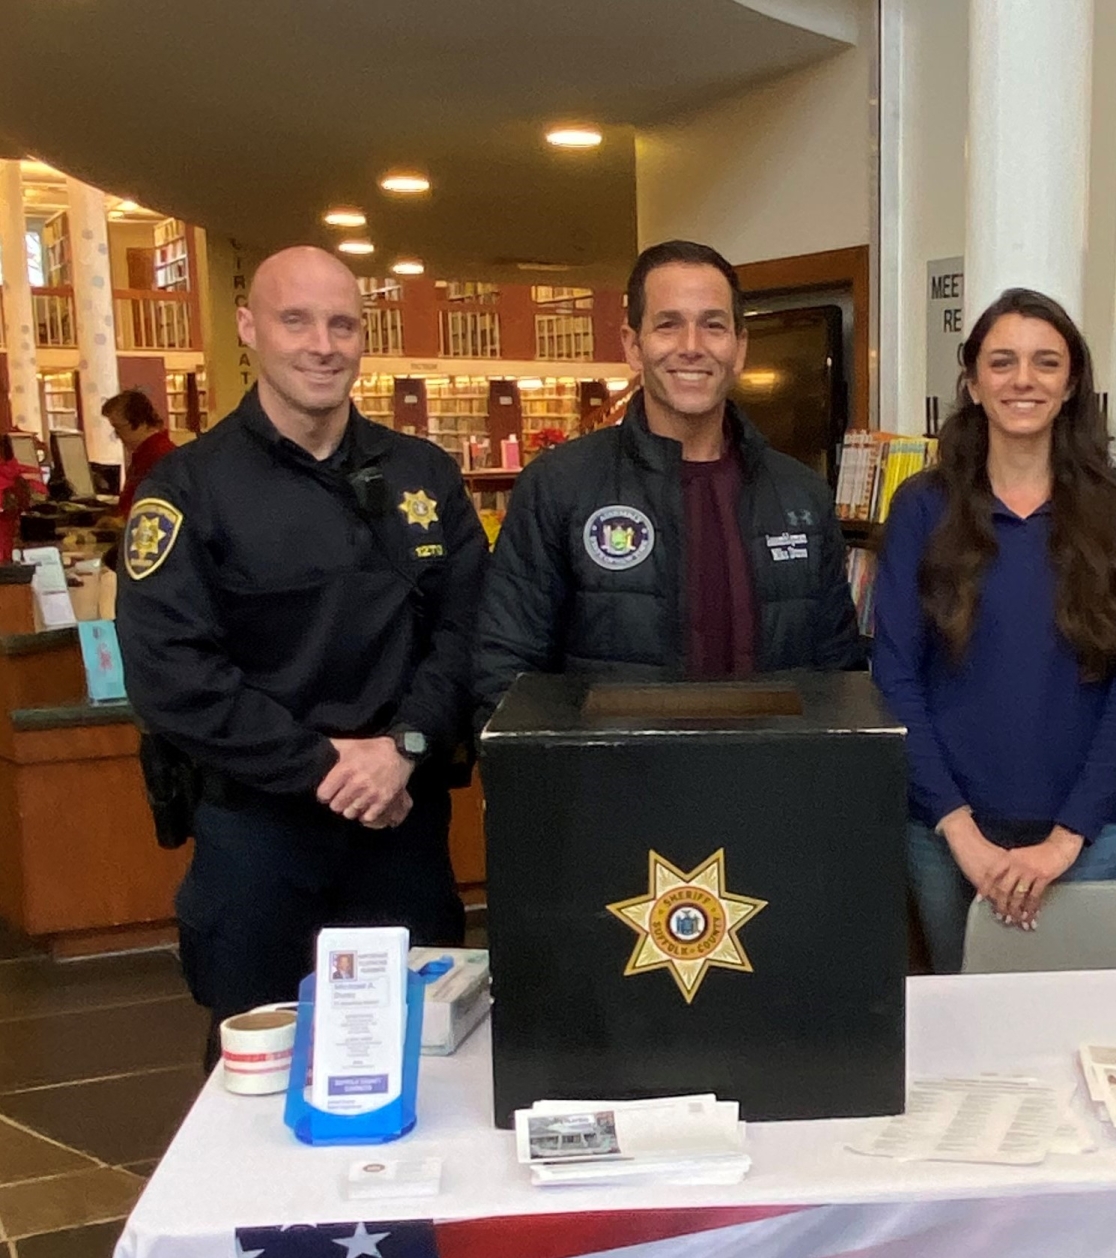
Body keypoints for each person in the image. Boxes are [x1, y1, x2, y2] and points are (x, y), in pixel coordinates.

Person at [116, 245, 484, 1045]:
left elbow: (467, 633)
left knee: (424, 1056)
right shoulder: (188, 488)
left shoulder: (422, 474)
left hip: (401, 826)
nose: (323, 345)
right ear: (249, 328)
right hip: (260, 837)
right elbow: (171, 674)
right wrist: (326, 767)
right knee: (259, 1065)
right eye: (296, 321)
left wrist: (404, 746)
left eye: (342, 325)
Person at [869, 287, 1116, 974]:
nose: (1023, 379)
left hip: (1088, 839)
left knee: (1077, 1023)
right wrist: (961, 833)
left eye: (1045, 362)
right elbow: (896, 677)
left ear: (1072, 384)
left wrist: (1067, 839)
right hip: (946, 838)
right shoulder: (922, 505)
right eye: (1002, 362)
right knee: (964, 1023)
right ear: (973, 383)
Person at [475, 239, 859, 709]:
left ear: (739, 347)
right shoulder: (558, 486)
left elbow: (839, 676)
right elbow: (505, 670)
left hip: (769, 758)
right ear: (633, 346)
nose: (691, 347)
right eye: (668, 325)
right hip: (611, 760)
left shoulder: (802, 495)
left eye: (713, 325)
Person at [101, 388, 174, 519]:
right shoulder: (146, 452)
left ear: (140, 423)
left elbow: (152, 509)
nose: (117, 435)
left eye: (119, 428)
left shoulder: (159, 455)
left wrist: (120, 521)